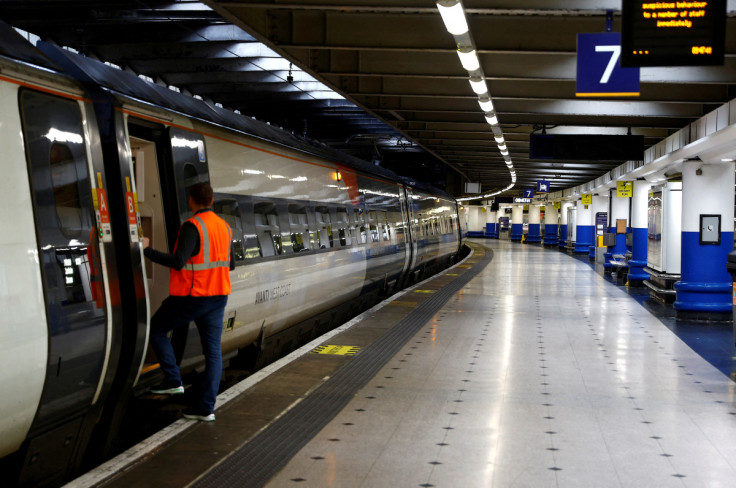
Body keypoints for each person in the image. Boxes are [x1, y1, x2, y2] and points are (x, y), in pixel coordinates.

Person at [142, 182, 235, 422]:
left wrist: (147, 251)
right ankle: (205, 408)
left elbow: (178, 261)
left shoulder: (192, 226)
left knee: (158, 328)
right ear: (212, 201)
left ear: (191, 201)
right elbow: (230, 264)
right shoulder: (225, 227)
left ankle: (173, 381)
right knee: (213, 351)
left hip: (193, 296)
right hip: (218, 296)